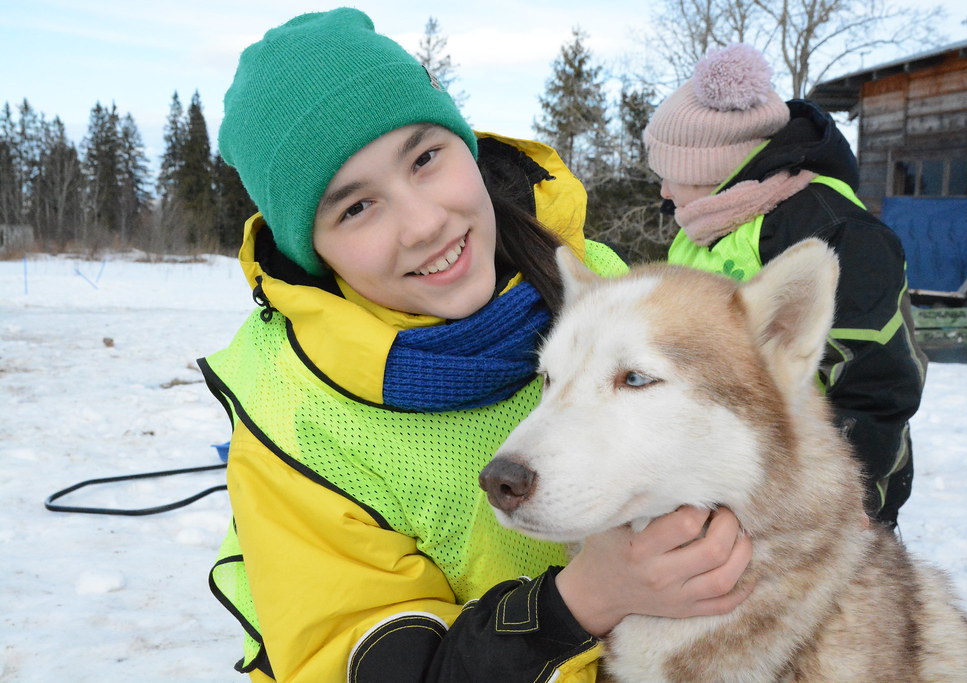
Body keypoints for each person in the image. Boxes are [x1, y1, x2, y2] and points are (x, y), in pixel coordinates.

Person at [201, 8, 753, 682]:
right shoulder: (294, 426)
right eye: (356, 207)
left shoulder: (603, 286)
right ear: (311, 250)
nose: (425, 223)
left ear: (468, 144)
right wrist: (580, 602)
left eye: (426, 158)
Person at [643, 44, 928, 526]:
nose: (664, 192)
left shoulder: (839, 233)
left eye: (671, 176)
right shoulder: (701, 234)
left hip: (817, 500)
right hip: (722, 483)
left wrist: (847, 498)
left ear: (714, 170)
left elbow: (877, 384)